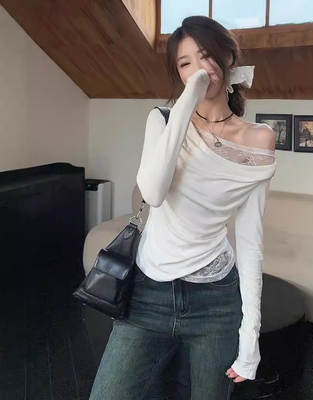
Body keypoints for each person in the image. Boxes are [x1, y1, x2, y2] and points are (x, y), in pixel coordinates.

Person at [89, 15, 277, 400]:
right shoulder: (161, 120)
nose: (198, 70)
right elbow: (153, 192)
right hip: (148, 295)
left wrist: (250, 336)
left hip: (216, 302)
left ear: (227, 58)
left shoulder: (258, 139)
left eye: (205, 56)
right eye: (185, 63)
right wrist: (188, 100)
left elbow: (250, 240)